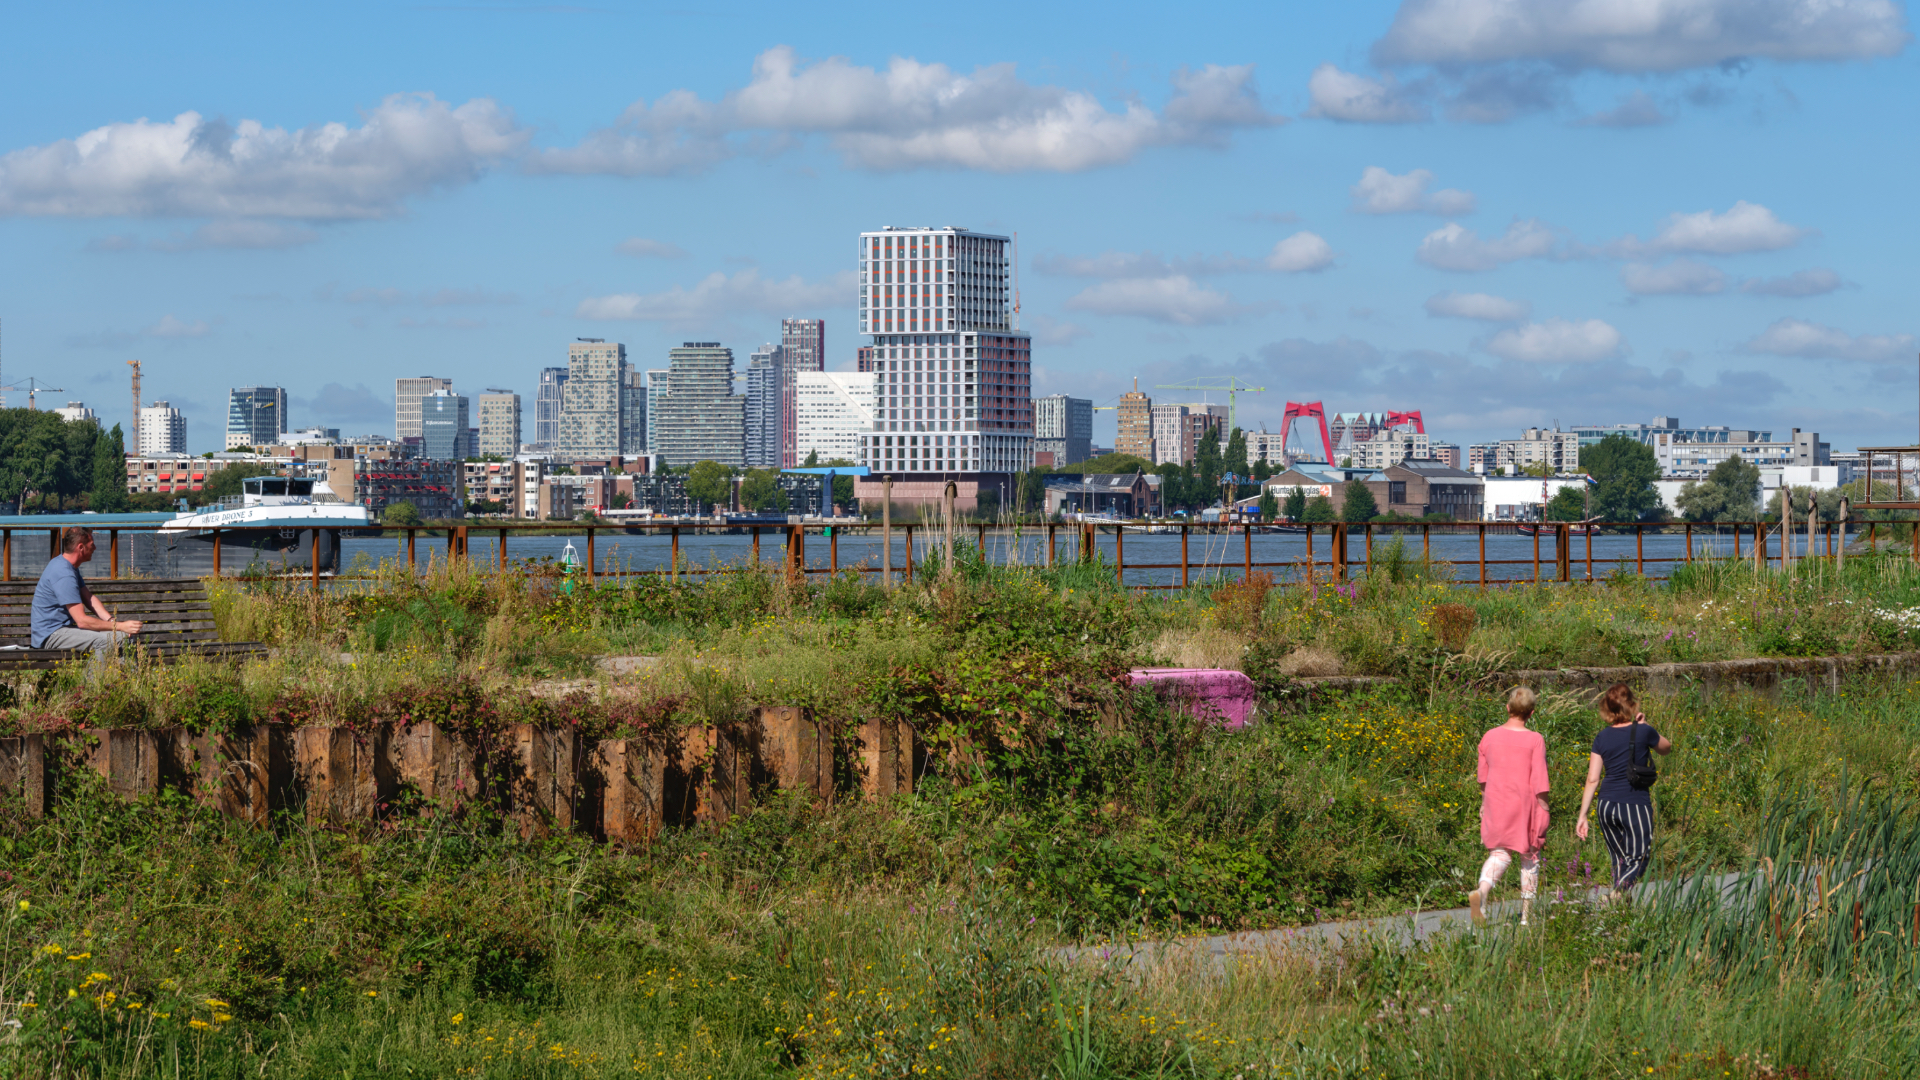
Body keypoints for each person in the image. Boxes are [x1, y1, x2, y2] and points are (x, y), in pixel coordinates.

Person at [1575, 682, 1672, 903]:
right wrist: (1646, 725)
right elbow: (1666, 748)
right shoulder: (1644, 731)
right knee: (1639, 857)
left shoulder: (1601, 737)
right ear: (1631, 705)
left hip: (1606, 804)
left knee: (1619, 858)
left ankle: (1620, 913)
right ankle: (1617, 894)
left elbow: (1592, 779)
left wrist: (1583, 815)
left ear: (1606, 709)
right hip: (1634, 803)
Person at [1467, 685, 1551, 927]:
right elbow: (1540, 780)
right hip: (1525, 805)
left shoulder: (1489, 736)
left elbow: (1483, 776)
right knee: (1530, 856)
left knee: (1500, 853)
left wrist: (1484, 802)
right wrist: (1544, 809)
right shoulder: (1535, 739)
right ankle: (1526, 916)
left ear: (1507, 708)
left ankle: (1481, 893)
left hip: (1496, 802)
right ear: (1532, 713)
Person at [30, 527, 142, 655]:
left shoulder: (68, 566)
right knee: (112, 640)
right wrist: (120, 626)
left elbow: (88, 598)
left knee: (124, 637)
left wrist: (112, 621)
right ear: (81, 547)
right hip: (51, 635)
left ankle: (124, 674)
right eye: (92, 544)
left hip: (63, 630)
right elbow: (82, 621)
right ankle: (96, 676)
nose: (95, 548)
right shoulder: (64, 573)